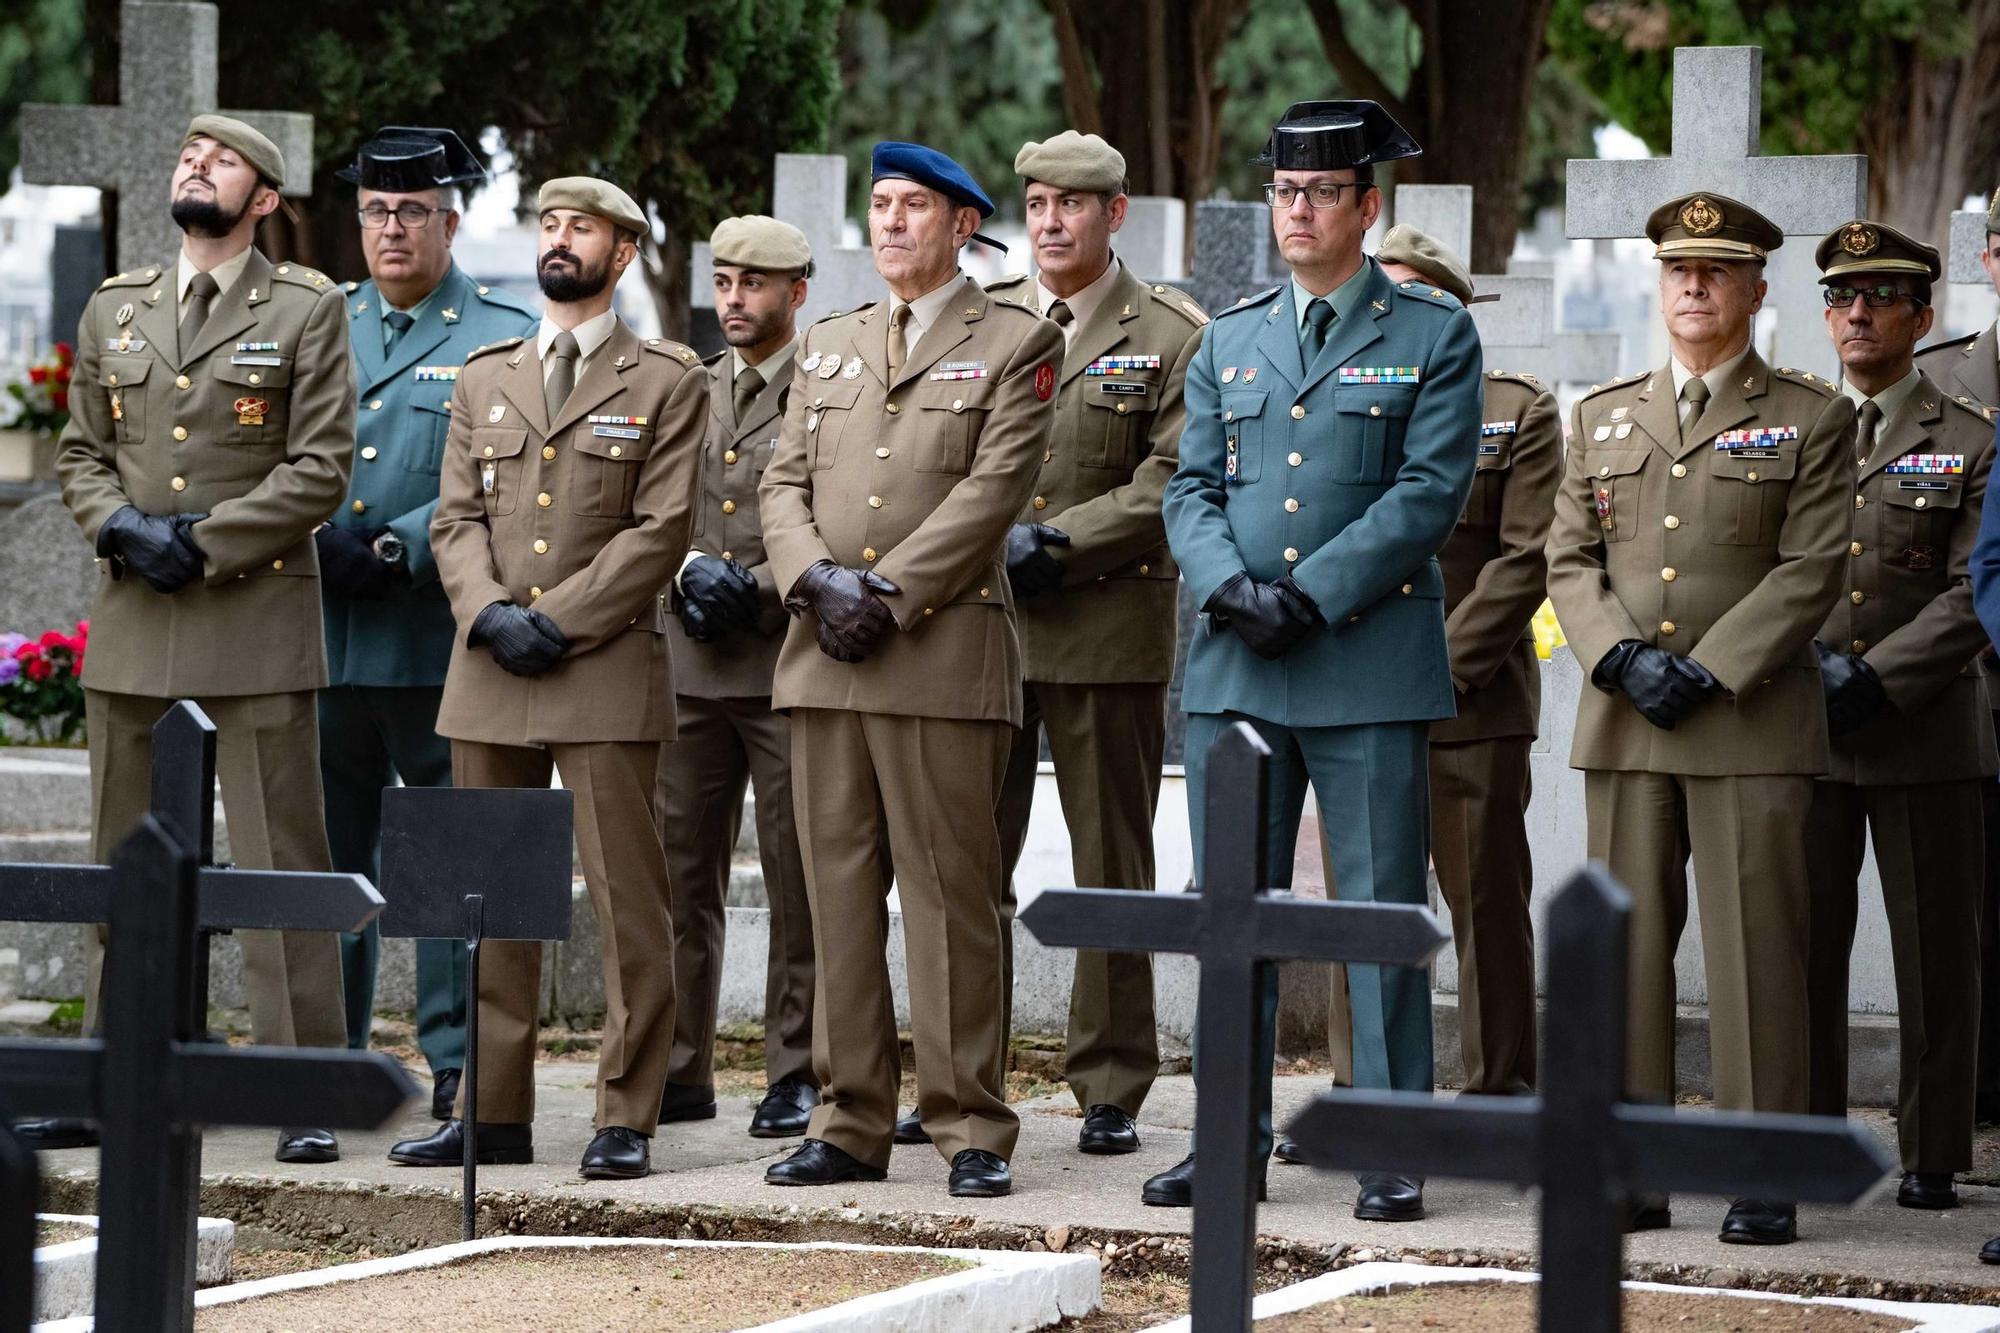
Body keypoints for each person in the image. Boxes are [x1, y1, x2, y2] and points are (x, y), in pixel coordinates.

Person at [1155, 100, 1482, 1220]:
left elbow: (1428, 492)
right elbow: (1187, 486)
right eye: (1284, 193)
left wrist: (1311, 591)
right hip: (1239, 663)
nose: (1296, 211)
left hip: (1364, 660)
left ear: (1365, 207)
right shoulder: (1228, 332)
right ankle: (1225, 1142)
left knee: (1379, 907)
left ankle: (1389, 1140)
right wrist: (1226, 585)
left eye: (1320, 193)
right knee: (1228, 912)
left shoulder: (1431, 332)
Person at [1544, 192, 1855, 1245]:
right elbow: (1566, 558)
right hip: (1629, 719)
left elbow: (1811, 567)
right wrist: (1619, 656)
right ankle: (1630, 1163)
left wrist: (1711, 669)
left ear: (1755, 289)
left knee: (1756, 948)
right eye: (1677, 268)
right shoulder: (1599, 416)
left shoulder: (1813, 416)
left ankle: (1755, 1165)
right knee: (1622, 950)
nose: (1692, 284)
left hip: (1749, 720)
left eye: (1716, 270)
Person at [41, 115, 354, 1164]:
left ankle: (299, 1080)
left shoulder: (307, 309)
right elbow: (80, 450)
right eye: (188, 155)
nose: (195, 166)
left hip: (252, 613)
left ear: (264, 199)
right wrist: (121, 527)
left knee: (279, 863)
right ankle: (114, 1069)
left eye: (221, 161)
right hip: (136, 618)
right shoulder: (117, 307)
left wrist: (205, 543)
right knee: (120, 860)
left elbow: (319, 468)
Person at [758, 142, 1062, 1199]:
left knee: (947, 897)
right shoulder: (830, 342)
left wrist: (882, 595)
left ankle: (969, 1120)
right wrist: (811, 583)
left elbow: (992, 492)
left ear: (962, 226)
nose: (889, 223)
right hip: (824, 657)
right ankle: (847, 1119)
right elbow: (781, 481)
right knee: (835, 893)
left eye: (912, 208)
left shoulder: (1018, 340)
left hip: (936, 654)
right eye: (879, 206)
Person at [387, 177, 705, 1180]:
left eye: (585, 229)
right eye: (552, 224)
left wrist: (554, 621)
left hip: (601, 660)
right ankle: (490, 1109)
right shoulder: (486, 373)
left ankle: (626, 1111)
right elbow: (452, 519)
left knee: (626, 898)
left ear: (623, 253)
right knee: (485, 894)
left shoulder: (665, 377)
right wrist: (487, 613)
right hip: (489, 665)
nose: (562, 239)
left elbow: (661, 530)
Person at [897, 130, 1203, 1158]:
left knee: (1109, 857)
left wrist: (1059, 541)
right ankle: (956, 1070)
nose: (1049, 223)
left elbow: (1169, 480)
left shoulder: (1168, 331)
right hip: (981, 628)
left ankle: (1110, 1079)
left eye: (1071, 205)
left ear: (1113, 215)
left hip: (1102, 626)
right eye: (1035, 205)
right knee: (961, 859)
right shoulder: (987, 323)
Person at [320, 127, 538, 1120]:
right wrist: (316, 536)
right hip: (322, 635)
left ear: (449, 220)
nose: (392, 228)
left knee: (448, 860)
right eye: (376, 210)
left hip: (431, 637)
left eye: (412, 211)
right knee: (329, 862)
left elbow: (512, 478)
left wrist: (401, 542)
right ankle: (329, 1059)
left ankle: (457, 1060)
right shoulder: (325, 321)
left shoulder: (497, 335)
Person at [1802, 219, 1992, 1215]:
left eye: (1877, 297)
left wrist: (1878, 677)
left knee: (1933, 954)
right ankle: (1806, 1136)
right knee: (1798, 947)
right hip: (1804, 728)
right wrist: (1804, 674)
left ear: (1921, 315)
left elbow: (1976, 587)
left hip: (1920, 729)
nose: (1856, 313)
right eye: (1839, 297)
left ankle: (1930, 1152)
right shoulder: (1787, 429)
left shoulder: (1968, 436)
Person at [654, 216, 820, 1139]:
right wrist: (685, 572)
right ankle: (681, 1065)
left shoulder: (828, 384)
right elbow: (651, 498)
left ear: (796, 292)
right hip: (689, 659)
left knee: (799, 880)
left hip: (785, 659)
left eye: (754, 284)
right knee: (681, 874)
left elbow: (835, 506)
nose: (735, 301)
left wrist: (755, 587)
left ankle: (796, 1069)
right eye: (724, 282)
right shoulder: (688, 386)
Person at [1915, 185, 2000, 1132]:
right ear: (1989, 257)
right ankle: (1976, 1093)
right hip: (1963, 683)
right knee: (1970, 911)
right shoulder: (1944, 378)